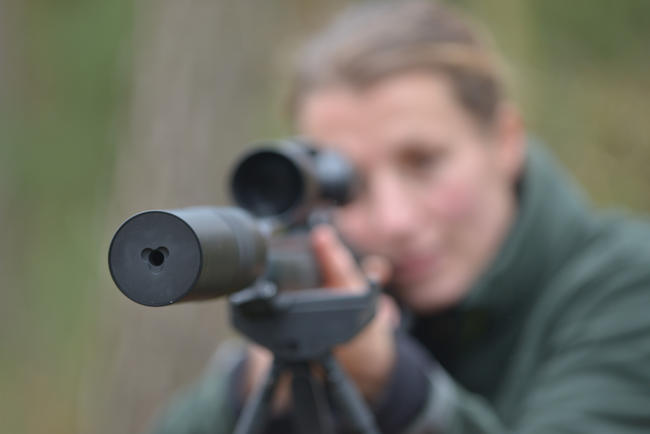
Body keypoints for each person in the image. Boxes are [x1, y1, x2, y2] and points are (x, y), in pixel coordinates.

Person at [151, 1, 650, 433]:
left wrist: (394, 386)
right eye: (351, 184)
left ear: (505, 140)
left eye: (424, 162)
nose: (395, 220)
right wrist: (252, 386)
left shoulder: (628, 283)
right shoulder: (349, 276)